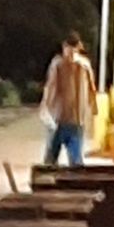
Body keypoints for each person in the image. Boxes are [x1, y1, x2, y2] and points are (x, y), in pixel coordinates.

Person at [41, 33, 96, 167]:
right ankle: (48, 184)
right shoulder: (58, 65)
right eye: (68, 49)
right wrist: (46, 107)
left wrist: (93, 108)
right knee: (51, 159)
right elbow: (51, 86)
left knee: (75, 160)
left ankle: (73, 185)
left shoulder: (83, 66)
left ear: (78, 48)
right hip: (58, 119)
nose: (70, 54)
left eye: (73, 49)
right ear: (64, 47)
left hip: (75, 121)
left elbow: (91, 88)